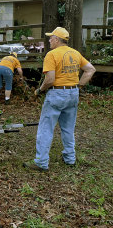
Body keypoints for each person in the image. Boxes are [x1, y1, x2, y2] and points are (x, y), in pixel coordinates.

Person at [23, 27, 96, 172]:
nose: (49, 40)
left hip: (56, 95)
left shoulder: (52, 55)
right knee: (68, 129)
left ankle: (41, 162)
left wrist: (40, 90)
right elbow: (90, 69)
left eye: (51, 38)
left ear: (57, 39)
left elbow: (50, 80)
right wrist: (78, 86)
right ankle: (70, 158)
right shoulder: (75, 53)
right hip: (72, 94)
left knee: (46, 128)